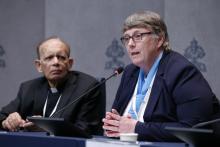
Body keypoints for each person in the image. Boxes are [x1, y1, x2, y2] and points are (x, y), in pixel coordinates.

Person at [102, 11, 217, 141]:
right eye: (126, 38)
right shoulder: (130, 72)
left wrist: (135, 128)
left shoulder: (181, 72)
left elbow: (192, 130)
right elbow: (120, 122)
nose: (130, 44)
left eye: (138, 36)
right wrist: (114, 124)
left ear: (160, 39)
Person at [0, 36, 103, 135]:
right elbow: (2, 115)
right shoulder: (28, 88)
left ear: (70, 63)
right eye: (49, 58)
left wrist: (46, 128)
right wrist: (7, 121)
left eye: (61, 57)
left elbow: (85, 130)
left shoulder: (87, 87)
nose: (56, 62)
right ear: (39, 65)